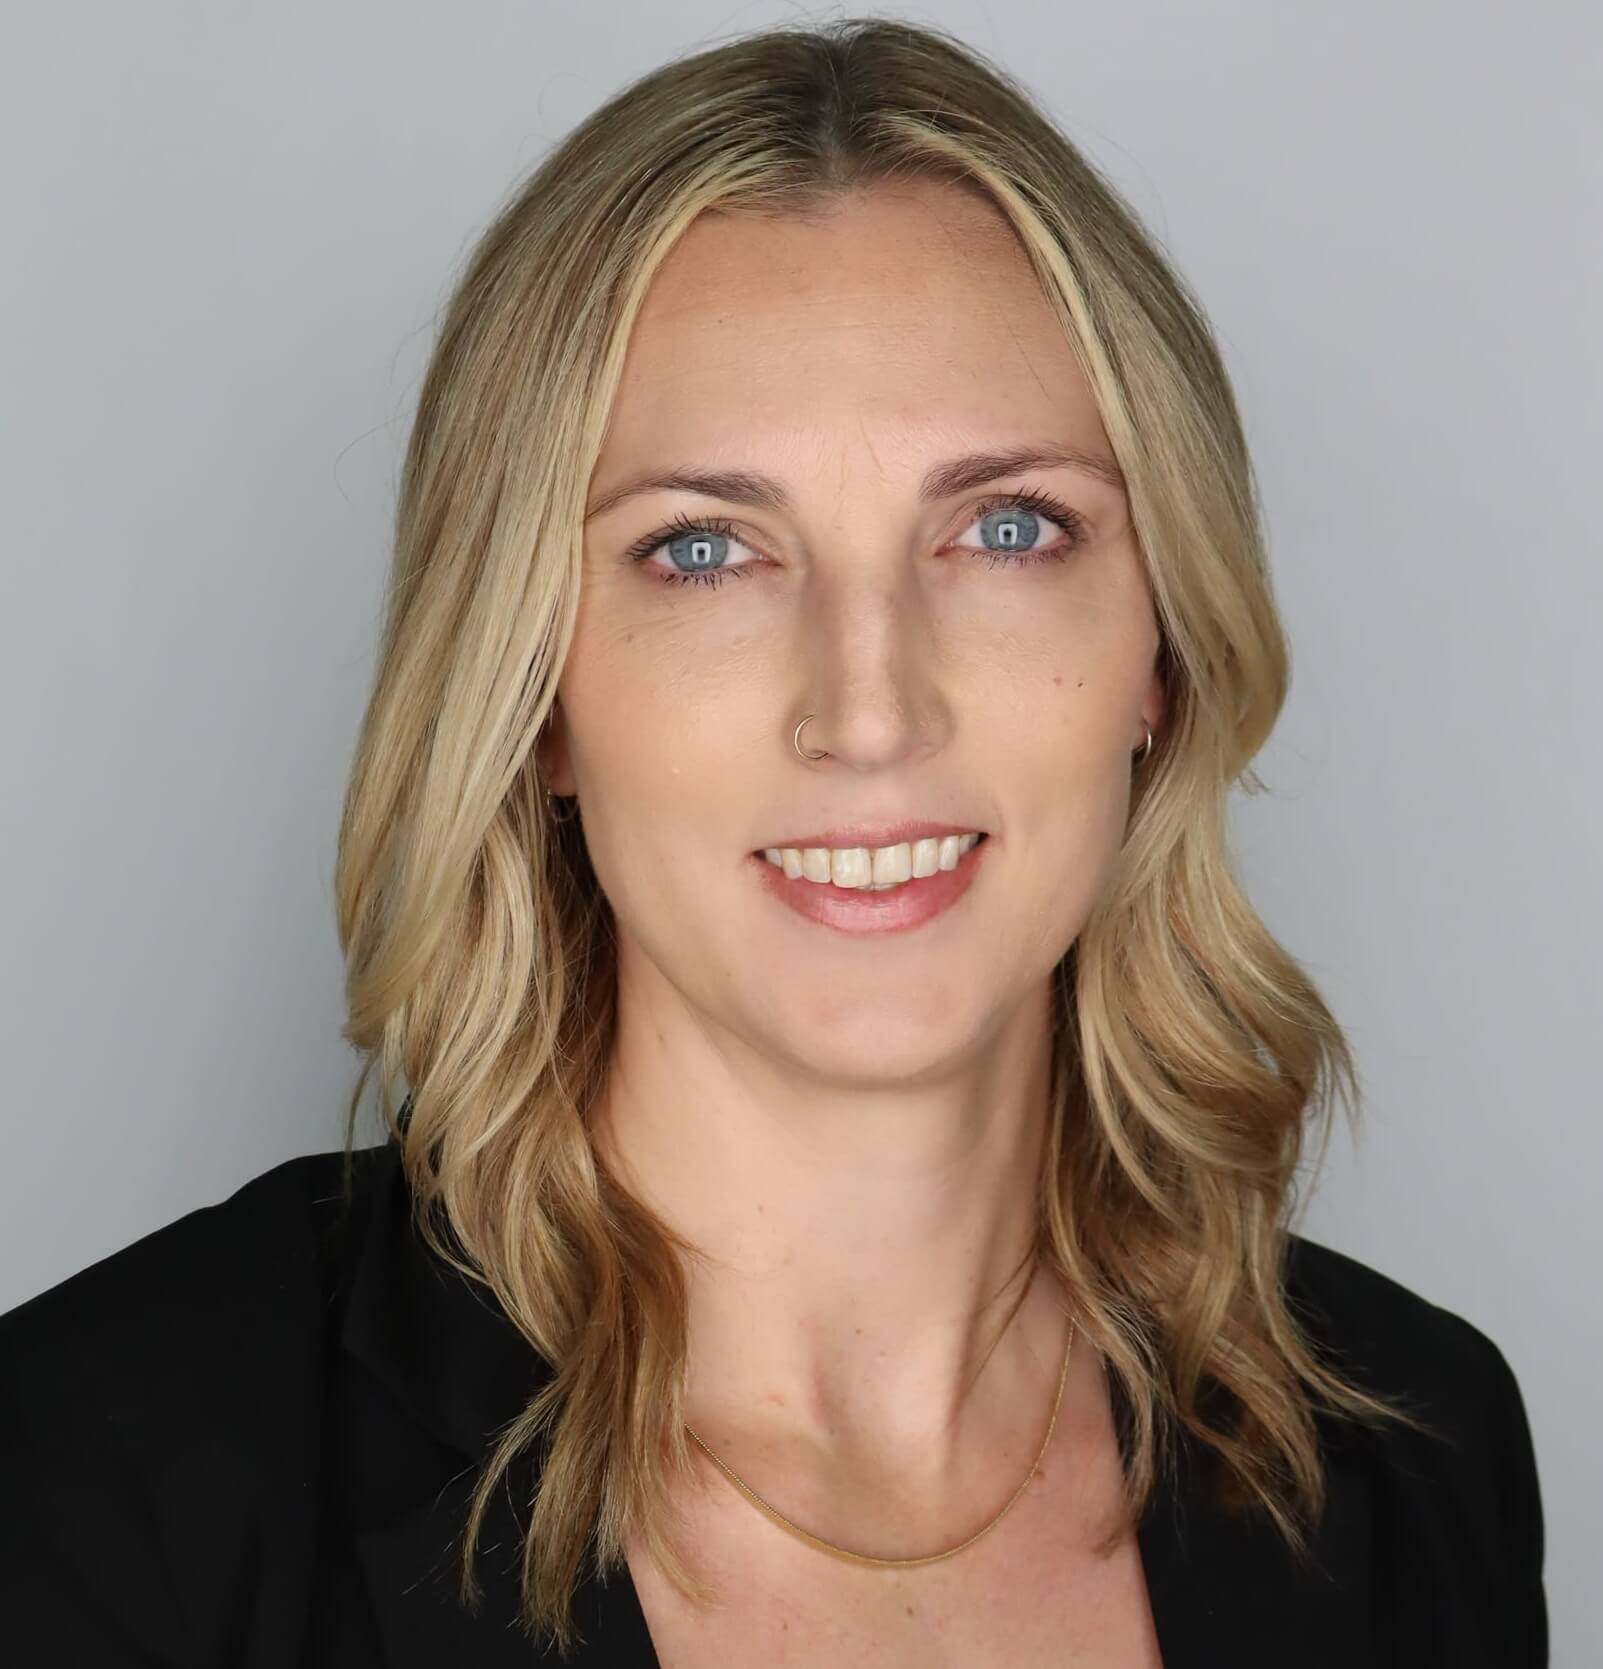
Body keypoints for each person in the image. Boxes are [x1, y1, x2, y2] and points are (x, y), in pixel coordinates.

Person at [0, 16, 1546, 1668]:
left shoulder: (1416, 1456)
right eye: (704, 551)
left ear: (1162, 646)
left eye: (1007, 528)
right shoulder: (95, 1475)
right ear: (536, 696)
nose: (868, 709)